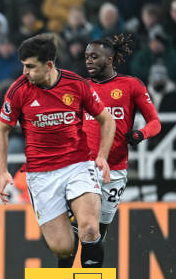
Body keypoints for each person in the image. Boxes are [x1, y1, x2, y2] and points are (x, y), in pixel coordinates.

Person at [0, 33, 116, 269]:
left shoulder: (76, 84)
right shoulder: (19, 90)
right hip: (41, 174)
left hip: (78, 165)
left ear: (49, 65)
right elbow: (1, 130)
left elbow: (106, 120)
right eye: (23, 66)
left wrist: (102, 156)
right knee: (63, 247)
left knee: (90, 229)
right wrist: (2, 171)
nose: (24, 73)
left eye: (30, 67)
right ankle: (66, 229)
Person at [55, 34, 160, 267]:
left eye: (94, 57)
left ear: (110, 58)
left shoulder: (131, 85)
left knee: (96, 233)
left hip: (116, 171)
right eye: (86, 57)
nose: (89, 61)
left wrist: (140, 134)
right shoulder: (82, 88)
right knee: (77, 227)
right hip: (84, 167)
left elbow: (155, 122)